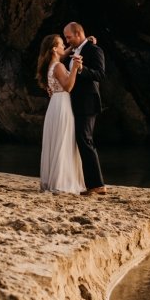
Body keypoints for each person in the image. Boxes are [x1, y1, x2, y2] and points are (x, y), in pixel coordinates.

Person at [36, 34, 85, 195]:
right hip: (63, 104)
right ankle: (62, 182)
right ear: (54, 49)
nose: (65, 46)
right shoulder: (59, 67)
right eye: (62, 44)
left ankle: (53, 179)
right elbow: (68, 87)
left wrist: (84, 42)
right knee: (64, 141)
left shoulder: (50, 65)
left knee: (56, 141)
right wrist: (75, 69)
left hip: (54, 105)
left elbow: (64, 52)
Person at [63, 21, 107, 196]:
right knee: (80, 141)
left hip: (88, 102)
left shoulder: (94, 50)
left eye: (69, 37)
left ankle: (97, 184)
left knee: (85, 140)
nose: (67, 41)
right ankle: (85, 182)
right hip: (73, 102)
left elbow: (100, 74)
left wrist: (82, 69)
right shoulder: (73, 51)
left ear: (78, 33)